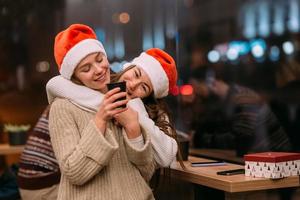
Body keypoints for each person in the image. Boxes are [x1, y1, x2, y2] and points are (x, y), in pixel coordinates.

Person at [50, 24, 157, 199]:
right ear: (74, 76)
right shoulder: (62, 107)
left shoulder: (122, 98)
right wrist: (101, 119)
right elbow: (75, 173)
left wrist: (133, 128)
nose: (99, 70)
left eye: (100, 60)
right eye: (86, 68)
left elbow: (147, 172)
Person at [188, 75, 292, 156]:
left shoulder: (243, 97)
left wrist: (199, 139)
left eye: (198, 87)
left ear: (213, 83)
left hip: (277, 161)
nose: (196, 93)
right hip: (261, 157)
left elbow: (240, 139)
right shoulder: (224, 102)